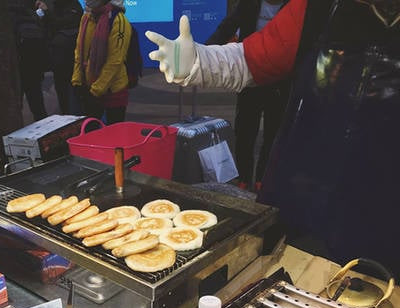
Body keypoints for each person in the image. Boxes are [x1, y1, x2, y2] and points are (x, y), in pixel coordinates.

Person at [146, 0, 400, 277]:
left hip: (385, 199)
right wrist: (197, 62)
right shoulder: (316, 7)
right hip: (303, 185)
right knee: (288, 273)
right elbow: (252, 59)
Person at [206, 0, 290, 191]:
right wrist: (204, 54)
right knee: (244, 131)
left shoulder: (296, 6)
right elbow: (226, 27)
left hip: (280, 81)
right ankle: (243, 178)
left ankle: (263, 178)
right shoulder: (250, 3)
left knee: (274, 133)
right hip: (251, 76)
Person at [72, 0, 132, 124]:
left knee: (114, 135)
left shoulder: (119, 20)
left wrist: (96, 90)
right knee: (90, 134)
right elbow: (80, 51)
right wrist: (77, 80)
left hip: (113, 90)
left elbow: (115, 61)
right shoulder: (87, 18)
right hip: (90, 87)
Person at [36, 0, 83, 115]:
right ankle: (66, 114)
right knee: (61, 88)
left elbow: (60, 23)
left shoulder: (73, 7)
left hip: (72, 56)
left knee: (74, 89)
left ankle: (74, 116)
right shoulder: (53, 5)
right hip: (58, 57)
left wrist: (47, 13)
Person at [12, 0, 49, 121]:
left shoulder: (6, 16)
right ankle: (43, 132)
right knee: (37, 104)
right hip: (34, 66)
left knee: (15, 105)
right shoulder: (31, 14)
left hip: (16, 66)